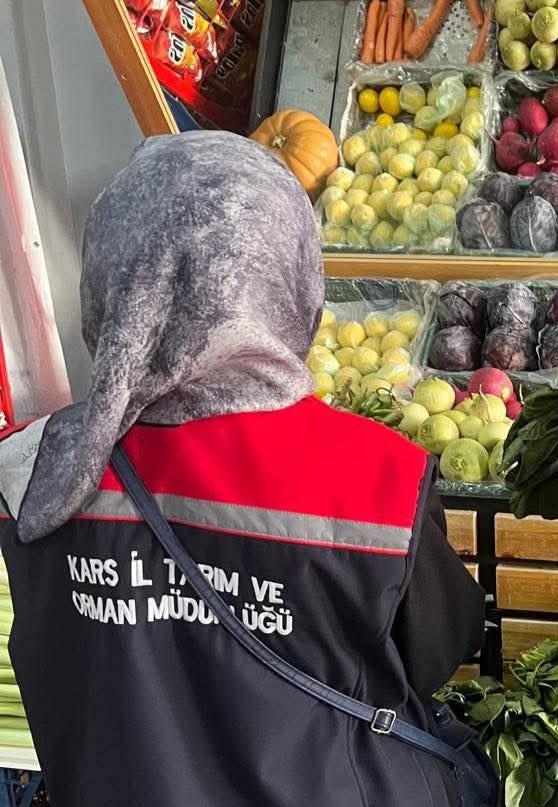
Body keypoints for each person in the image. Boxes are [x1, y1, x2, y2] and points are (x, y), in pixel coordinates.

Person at [0, 132, 486, 806]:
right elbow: (440, 649)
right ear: (287, 275)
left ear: (113, 281)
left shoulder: (31, 471)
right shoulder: (379, 479)